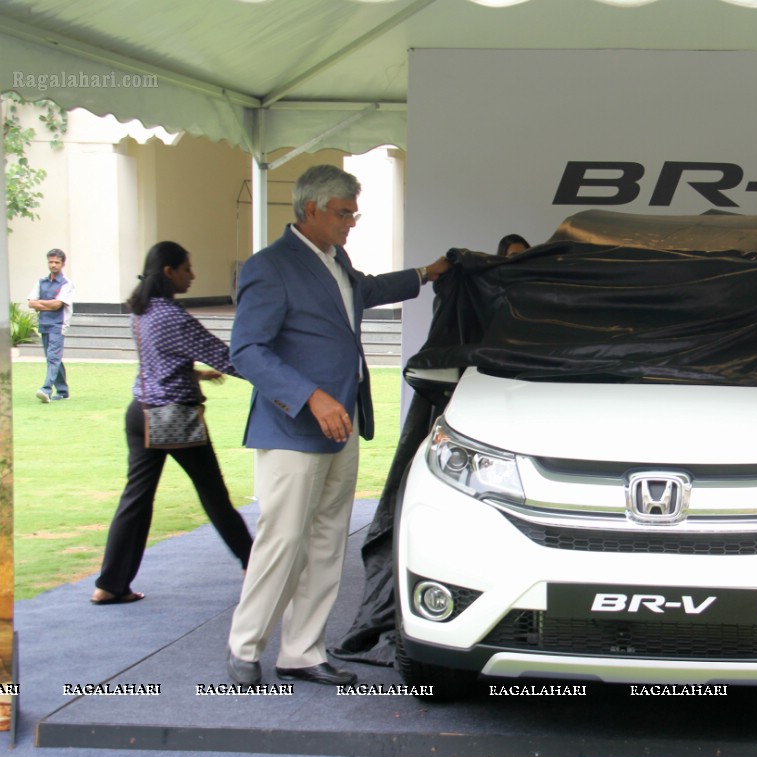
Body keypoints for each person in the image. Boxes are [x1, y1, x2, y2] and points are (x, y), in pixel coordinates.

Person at [225, 164, 450, 688]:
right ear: (312, 210)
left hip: (342, 426)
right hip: (292, 430)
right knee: (282, 542)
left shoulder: (335, 259)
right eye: (344, 213)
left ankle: (302, 651)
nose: (352, 222)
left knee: (327, 542)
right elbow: (247, 350)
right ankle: (245, 648)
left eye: (354, 213)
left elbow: (362, 291)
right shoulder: (270, 267)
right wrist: (311, 397)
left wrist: (425, 273)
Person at [92, 242, 253, 605]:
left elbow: (158, 362)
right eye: (186, 269)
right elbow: (228, 359)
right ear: (168, 271)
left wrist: (194, 375)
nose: (192, 275)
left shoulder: (142, 311)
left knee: (135, 500)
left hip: (141, 413)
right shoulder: (174, 317)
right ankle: (253, 562)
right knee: (214, 494)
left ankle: (110, 584)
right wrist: (278, 376)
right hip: (173, 417)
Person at [27, 248, 74, 402]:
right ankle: (63, 391)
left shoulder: (66, 283)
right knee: (52, 357)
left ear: (63, 264)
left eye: (56, 262)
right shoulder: (41, 282)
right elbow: (31, 303)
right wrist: (49, 304)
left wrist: (40, 303)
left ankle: (46, 389)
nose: (53, 265)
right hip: (44, 323)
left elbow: (58, 304)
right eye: (51, 262)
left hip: (58, 324)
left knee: (53, 356)